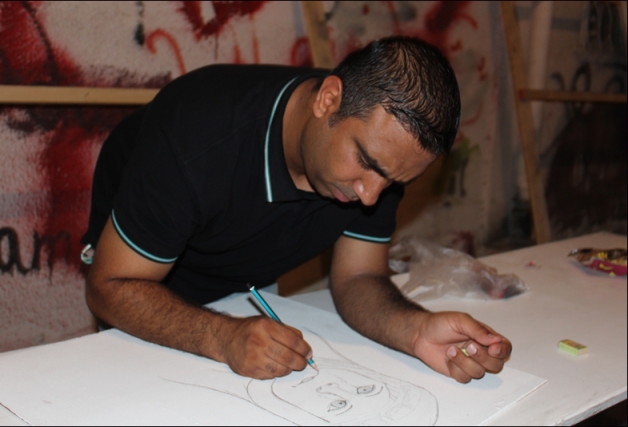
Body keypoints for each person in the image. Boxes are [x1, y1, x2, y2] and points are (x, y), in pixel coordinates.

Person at [83, 36, 512, 385]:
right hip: (148, 279)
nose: (370, 197)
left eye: (394, 182)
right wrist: (221, 336)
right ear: (328, 99)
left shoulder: (383, 158)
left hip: (243, 283)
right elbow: (110, 287)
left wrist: (415, 330)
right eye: (366, 163)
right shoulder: (196, 140)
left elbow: (358, 278)